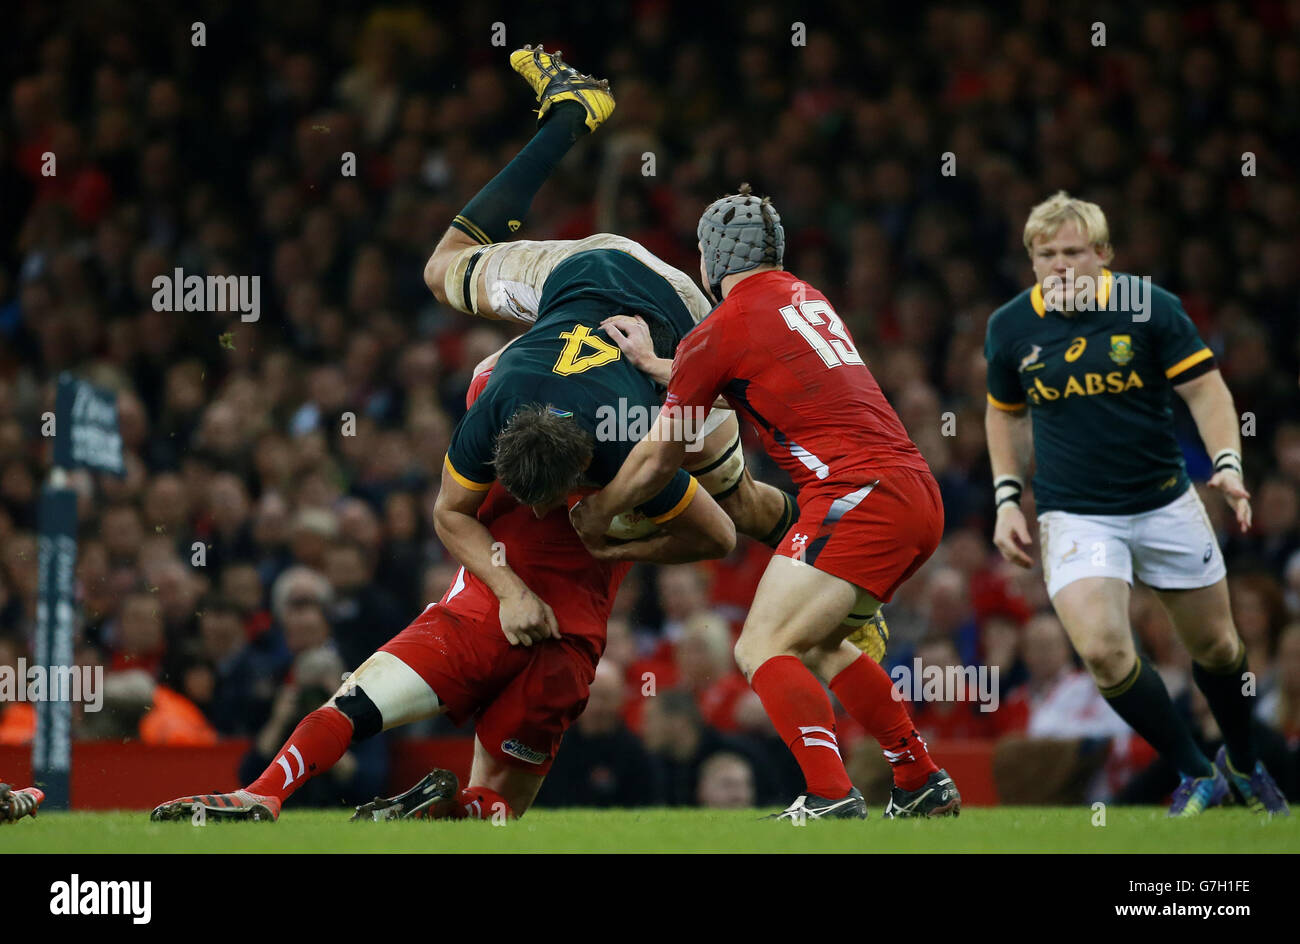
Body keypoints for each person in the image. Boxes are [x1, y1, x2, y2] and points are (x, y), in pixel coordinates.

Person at [571, 185, 960, 820]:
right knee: (819, 645)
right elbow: (742, 379)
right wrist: (655, 363)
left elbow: (658, 458)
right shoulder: (806, 300)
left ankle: (830, 794)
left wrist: (599, 510)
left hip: (858, 495)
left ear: (709, 261)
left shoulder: (720, 329)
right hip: (912, 492)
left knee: (759, 648)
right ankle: (919, 776)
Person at [983, 191, 1288, 816]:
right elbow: (1003, 415)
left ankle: (1242, 758)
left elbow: (1206, 392)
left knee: (1221, 650)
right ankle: (1193, 770)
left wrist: (1227, 464)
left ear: (1102, 255)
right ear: (1032, 260)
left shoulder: (1150, 308)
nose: (1061, 265)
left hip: (1164, 503)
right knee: (1101, 649)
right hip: (1075, 513)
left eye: (1074, 252)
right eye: (1047, 254)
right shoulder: (1010, 326)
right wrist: (1007, 498)